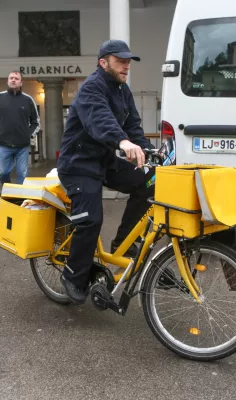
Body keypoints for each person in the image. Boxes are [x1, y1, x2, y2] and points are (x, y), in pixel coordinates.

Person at [57, 40, 155, 304]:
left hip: (103, 161)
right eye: (120, 61)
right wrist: (122, 142)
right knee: (91, 220)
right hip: (78, 165)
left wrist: (148, 150)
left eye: (128, 61)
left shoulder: (123, 90)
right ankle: (73, 275)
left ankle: (124, 243)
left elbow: (133, 125)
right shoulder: (91, 87)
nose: (126, 66)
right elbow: (100, 119)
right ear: (103, 63)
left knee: (149, 181)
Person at [0, 71, 40, 185]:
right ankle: (9, 189)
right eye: (11, 78)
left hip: (23, 146)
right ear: (8, 81)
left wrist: (29, 134)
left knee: (23, 174)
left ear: (21, 82)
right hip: (4, 144)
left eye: (16, 78)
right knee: (2, 172)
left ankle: (21, 198)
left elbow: (36, 122)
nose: (13, 80)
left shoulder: (28, 100)